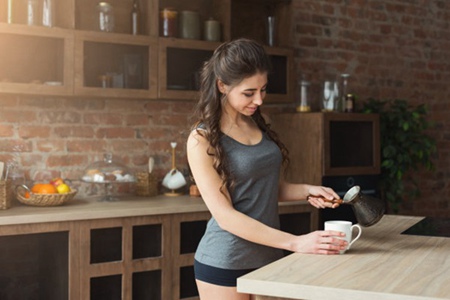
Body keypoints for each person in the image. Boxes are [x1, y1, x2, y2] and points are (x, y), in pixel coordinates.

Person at [186, 38, 347, 300]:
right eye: (249, 93)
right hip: (225, 260)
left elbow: (263, 187)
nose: (259, 100)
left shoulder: (259, 123)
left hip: (269, 256)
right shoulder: (201, 139)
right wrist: (297, 242)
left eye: (263, 90)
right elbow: (225, 216)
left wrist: (307, 190)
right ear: (222, 85)